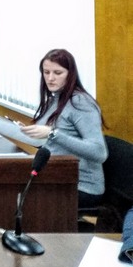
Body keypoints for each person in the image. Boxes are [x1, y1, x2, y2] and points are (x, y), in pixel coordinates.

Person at [20, 49, 107, 210]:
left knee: (18, 198)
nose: (50, 78)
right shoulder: (55, 99)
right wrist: (29, 133)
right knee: (9, 188)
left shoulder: (81, 102)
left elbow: (99, 152)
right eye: (46, 72)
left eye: (58, 73)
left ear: (70, 74)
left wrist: (53, 133)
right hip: (56, 175)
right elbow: (51, 142)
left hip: (82, 186)